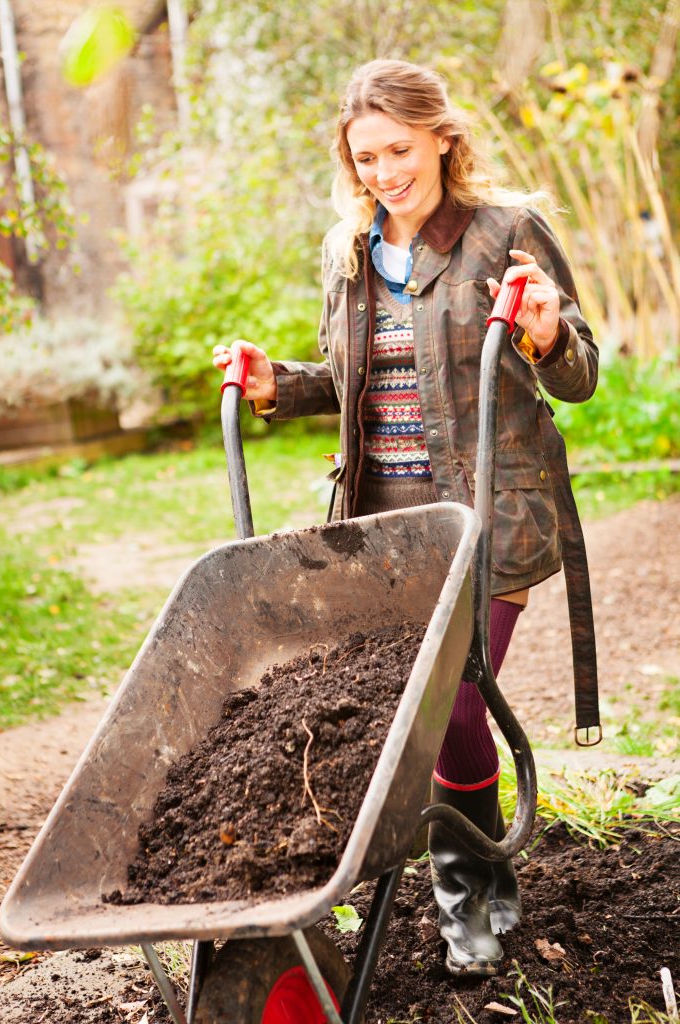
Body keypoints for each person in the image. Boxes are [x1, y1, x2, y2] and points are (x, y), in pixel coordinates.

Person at [213, 59, 598, 977]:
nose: (384, 172)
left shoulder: (505, 231)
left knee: (454, 704)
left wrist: (546, 333)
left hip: (488, 521)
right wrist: (279, 388)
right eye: (365, 157)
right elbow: (360, 384)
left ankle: (469, 890)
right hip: (381, 530)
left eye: (398, 149)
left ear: (440, 138)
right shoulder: (349, 253)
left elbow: (578, 375)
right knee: (404, 716)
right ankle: (440, 870)